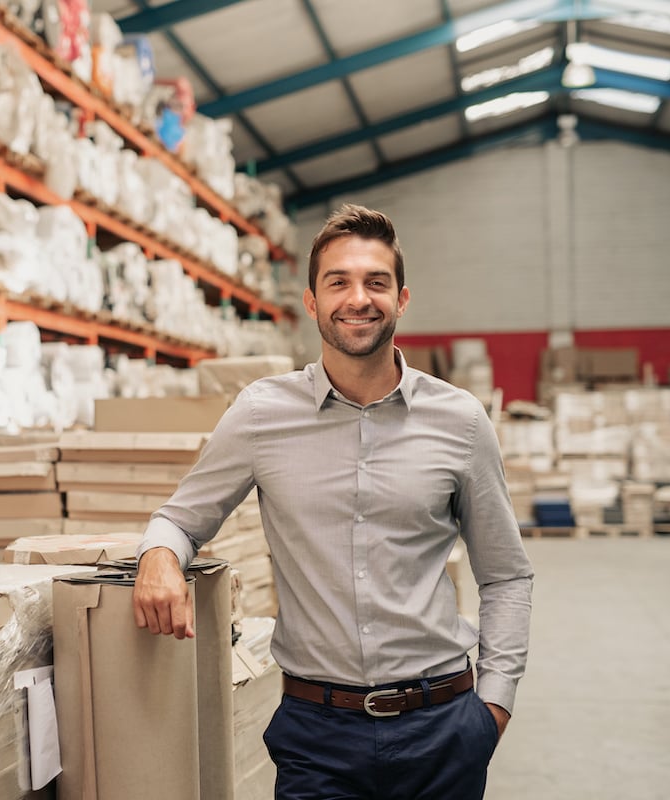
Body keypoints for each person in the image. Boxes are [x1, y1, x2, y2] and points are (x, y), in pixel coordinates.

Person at [132, 203, 534, 799]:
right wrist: (158, 558)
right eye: (338, 281)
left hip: (441, 727)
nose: (358, 298)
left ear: (401, 299)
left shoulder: (460, 421)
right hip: (318, 734)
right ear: (312, 301)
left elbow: (505, 574)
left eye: (376, 282)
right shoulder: (262, 414)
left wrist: (492, 708)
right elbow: (179, 519)